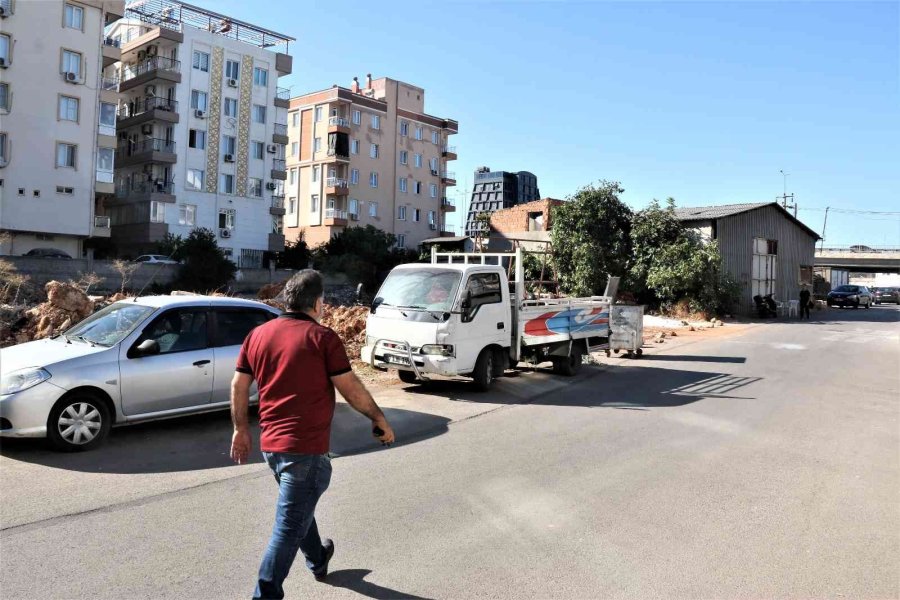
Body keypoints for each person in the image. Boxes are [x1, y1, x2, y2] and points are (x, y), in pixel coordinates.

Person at [230, 269, 395, 600]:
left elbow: (238, 384)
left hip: (272, 448)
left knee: (298, 508)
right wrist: (378, 418)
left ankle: (318, 558)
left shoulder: (258, 335)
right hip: (303, 451)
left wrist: (239, 430)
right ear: (318, 303)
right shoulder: (322, 338)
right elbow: (350, 387)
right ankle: (265, 595)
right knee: (288, 527)